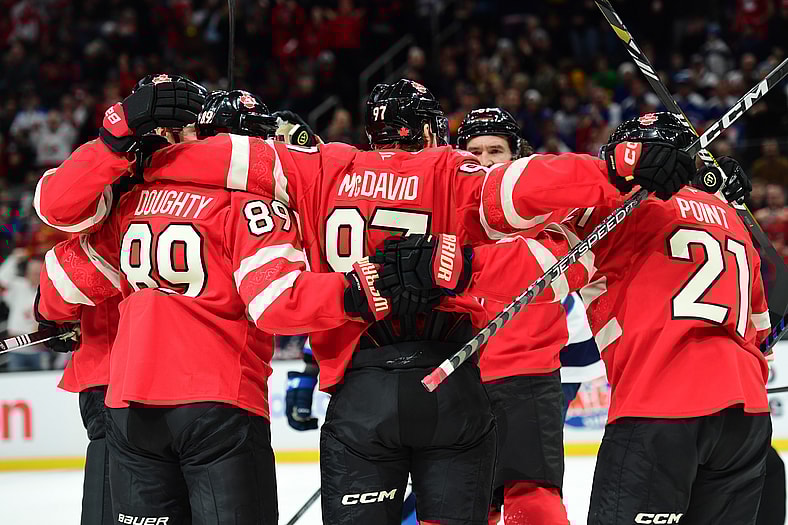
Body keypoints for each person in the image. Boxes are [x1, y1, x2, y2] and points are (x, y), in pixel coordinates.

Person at [133, 79, 694, 524]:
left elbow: (212, 164)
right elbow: (524, 187)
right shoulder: (453, 171)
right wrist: (612, 169)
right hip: (449, 385)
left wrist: (135, 154)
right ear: (432, 134)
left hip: (359, 392)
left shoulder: (321, 167)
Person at [380, 112, 772, 525]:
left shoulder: (620, 206)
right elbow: (760, 329)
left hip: (660, 406)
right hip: (746, 422)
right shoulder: (731, 218)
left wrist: (459, 268)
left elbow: (544, 271)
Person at [36, 87, 392, 525]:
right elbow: (277, 300)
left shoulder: (135, 197)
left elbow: (64, 278)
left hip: (128, 404)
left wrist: (51, 314)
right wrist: (360, 291)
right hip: (217, 398)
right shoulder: (251, 204)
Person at [32, 73, 208, 525]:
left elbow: (71, 270)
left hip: (198, 381)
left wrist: (52, 307)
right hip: (118, 383)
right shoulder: (113, 176)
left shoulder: (214, 183)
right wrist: (115, 139)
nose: (171, 138)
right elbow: (54, 203)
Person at [457, 107, 589, 524]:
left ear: (517, 158)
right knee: (459, 506)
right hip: (456, 374)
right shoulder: (445, 210)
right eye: (474, 151)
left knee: (531, 500)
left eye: (496, 150)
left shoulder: (545, 210)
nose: (484, 160)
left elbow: (580, 266)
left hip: (526, 375)